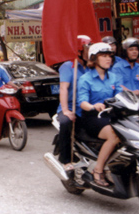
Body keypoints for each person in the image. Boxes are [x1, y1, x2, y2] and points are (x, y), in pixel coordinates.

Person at [77, 42, 123, 186]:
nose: (108, 59)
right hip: (92, 117)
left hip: (111, 115)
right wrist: (93, 106)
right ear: (94, 58)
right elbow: (82, 102)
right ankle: (98, 170)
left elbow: (121, 96)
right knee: (114, 135)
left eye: (109, 56)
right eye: (103, 56)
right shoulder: (85, 79)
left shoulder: (114, 78)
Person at [56, 35, 91, 168]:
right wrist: (65, 110)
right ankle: (65, 160)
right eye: (87, 49)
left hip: (86, 107)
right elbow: (63, 88)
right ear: (79, 51)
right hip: (70, 107)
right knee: (66, 122)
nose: (90, 52)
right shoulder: (68, 66)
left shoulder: (90, 67)